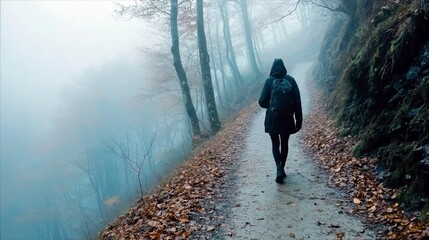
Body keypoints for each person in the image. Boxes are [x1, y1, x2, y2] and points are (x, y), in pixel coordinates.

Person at [258, 58, 302, 184]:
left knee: (275, 143)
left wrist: (271, 105)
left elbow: (261, 101)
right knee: (285, 143)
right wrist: (299, 120)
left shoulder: (269, 81)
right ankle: (282, 167)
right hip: (287, 117)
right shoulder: (291, 80)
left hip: (273, 118)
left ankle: (278, 169)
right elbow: (297, 102)